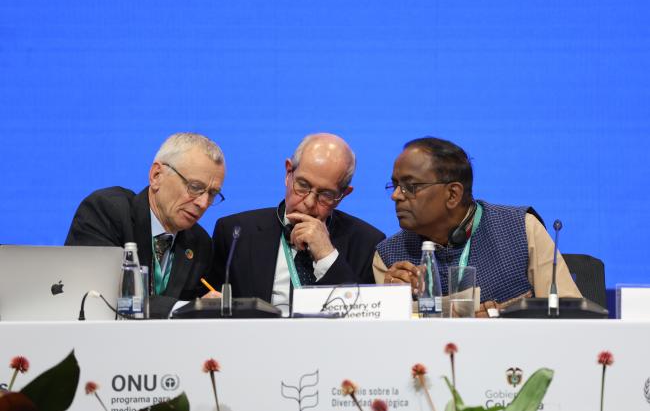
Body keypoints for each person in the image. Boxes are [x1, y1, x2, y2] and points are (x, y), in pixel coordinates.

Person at [374, 137, 581, 316]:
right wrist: (391, 304)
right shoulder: (388, 257)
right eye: (395, 185)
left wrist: (502, 316)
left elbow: (569, 314)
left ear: (453, 194)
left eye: (410, 186)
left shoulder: (521, 228)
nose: (395, 195)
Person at [209, 133, 385, 316]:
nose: (309, 202)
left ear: (343, 195)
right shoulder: (235, 233)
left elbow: (361, 319)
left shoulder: (367, 242)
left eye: (325, 194)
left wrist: (327, 255)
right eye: (302, 185)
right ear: (288, 173)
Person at [65, 133, 226, 317]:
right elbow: (99, 296)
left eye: (212, 193)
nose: (203, 203)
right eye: (195, 187)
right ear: (156, 176)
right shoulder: (107, 212)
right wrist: (186, 308)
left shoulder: (200, 243)